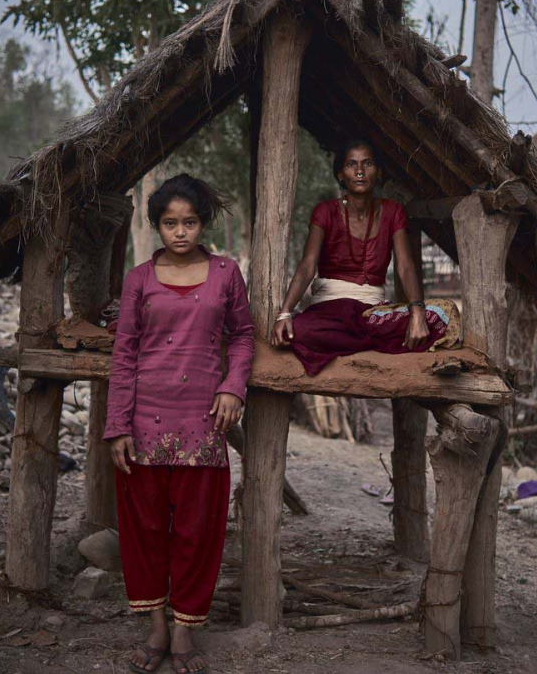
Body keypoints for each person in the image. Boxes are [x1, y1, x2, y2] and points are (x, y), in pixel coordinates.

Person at [105, 174, 254, 674]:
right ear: (156, 226)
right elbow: (123, 355)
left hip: (203, 423)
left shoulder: (226, 274)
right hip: (144, 422)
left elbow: (244, 336)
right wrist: (117, 425)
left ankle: (187, 630)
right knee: (145, 530)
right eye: (170, 223)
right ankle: (157, 628)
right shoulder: (138, 281)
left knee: (196, 531)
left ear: (202, 223)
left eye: (189, 222)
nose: (180, 232)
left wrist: (234, 386)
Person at [271, 140, 457, 375]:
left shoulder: (393, 211)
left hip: (373, 315)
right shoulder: (325, 211)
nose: (359, 171)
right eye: (351, 165)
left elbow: (405, 266)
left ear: (378, 172)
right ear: (340, 175)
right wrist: (286, 312)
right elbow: (307, 266)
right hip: (330, 312)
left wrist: (417, 310)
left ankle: (354, 341)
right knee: (296, 330)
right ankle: (379, 342)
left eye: (367, 163)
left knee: (445, 314)